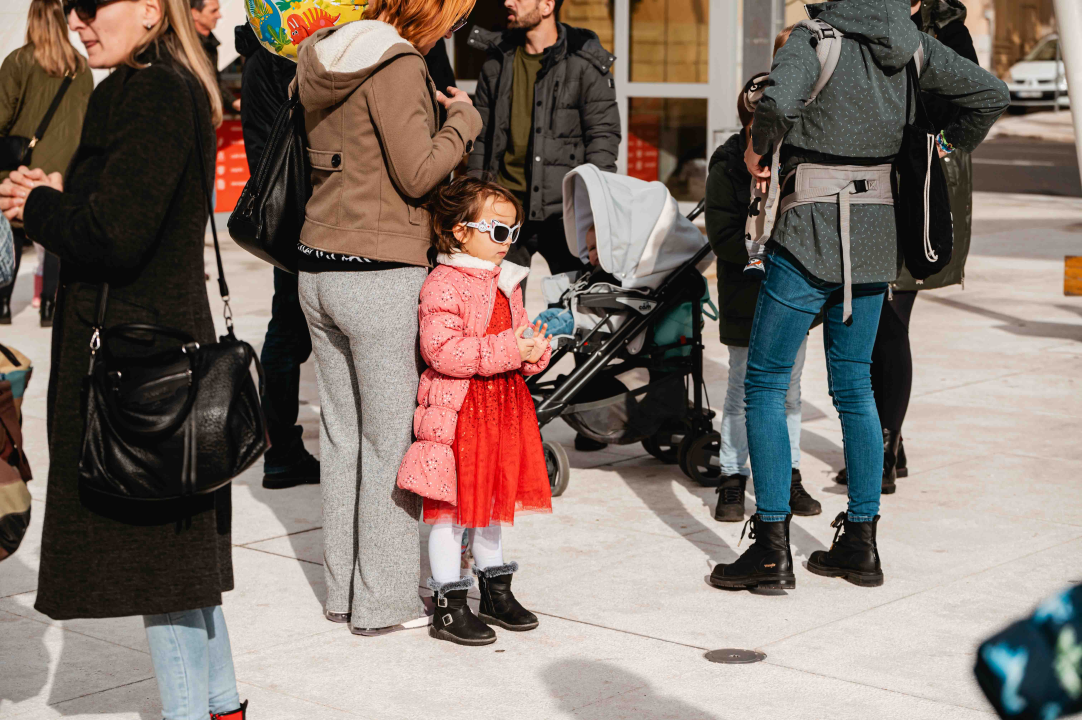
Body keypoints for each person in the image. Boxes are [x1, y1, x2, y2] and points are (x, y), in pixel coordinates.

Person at [707, 0, 1008, 592]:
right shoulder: (913, 42)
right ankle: (861, 545)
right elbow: (990, 94)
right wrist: (942, 148)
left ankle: (771, 548)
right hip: (876, 236)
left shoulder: (813, 37)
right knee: (854, 388)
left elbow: (774, 106)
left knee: (765, 383)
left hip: (808, 231)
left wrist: (756, 152)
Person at [0, 0, 248, 717]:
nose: (76, 20)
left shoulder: (153, 91)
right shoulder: (159, 84)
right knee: (181, 563)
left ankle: (189, 712)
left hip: (140, 368)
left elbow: (118, 234)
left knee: (159, 573)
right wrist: (58, 193)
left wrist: (37, 209)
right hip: (152, 352)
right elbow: (129, 207)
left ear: (147, 8)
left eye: (89, 5)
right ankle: (223, 704)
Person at [295, 0, 482, 636]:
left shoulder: (321, 54)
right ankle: (383, 602)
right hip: (378, 268)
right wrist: (461, 120)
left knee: (343, 438)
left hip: (316, 264)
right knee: (389, 443)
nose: (454, 30)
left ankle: (342, 594)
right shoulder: (396, 63)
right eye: (454, 17)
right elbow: (417, 173)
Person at [398, 176, 553, 646]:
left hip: (502, 410)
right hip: (461, 415)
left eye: (513, 232)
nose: (508, 242)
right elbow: (441, 350)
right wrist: (511, 347)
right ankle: (448, 605)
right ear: (459, 230)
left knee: (490, 507)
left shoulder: (509, 282)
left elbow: (519, 333)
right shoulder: (444, 283)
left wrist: (534, 351)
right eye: (498, 231)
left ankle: (495, 590)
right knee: (451, 511)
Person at [834, 0, 981, 493]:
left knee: (892, 319)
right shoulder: (861, 20)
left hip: (920, 190)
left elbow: (976, 99)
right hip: (871, 180)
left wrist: (937, 146)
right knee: (871, 320)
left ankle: (884, 447)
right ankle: (883, 440)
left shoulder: (946, 31)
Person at [705, 69, 821, 524]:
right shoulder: (728, 165)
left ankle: (787, 474)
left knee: (790, 392)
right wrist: (765, 257)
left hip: (794, 293)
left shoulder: (799, 160)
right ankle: (733, 477)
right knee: (742, 391)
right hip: (746, 295)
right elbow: (723, 235)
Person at [0, 0, 92, 327]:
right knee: (53, 235)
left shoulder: (18, 61)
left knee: (10, 232)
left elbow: (2, 116)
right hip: (63, 169)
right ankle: (50, 309)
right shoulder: (80, 64)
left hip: (21, 167)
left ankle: (3, 306)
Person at [191, 0, 239, 112]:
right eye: (213, 11)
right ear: (195, 14)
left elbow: (213, 81)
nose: (219, 15)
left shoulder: (210, 44)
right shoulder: (184, 46)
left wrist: (233, 101)